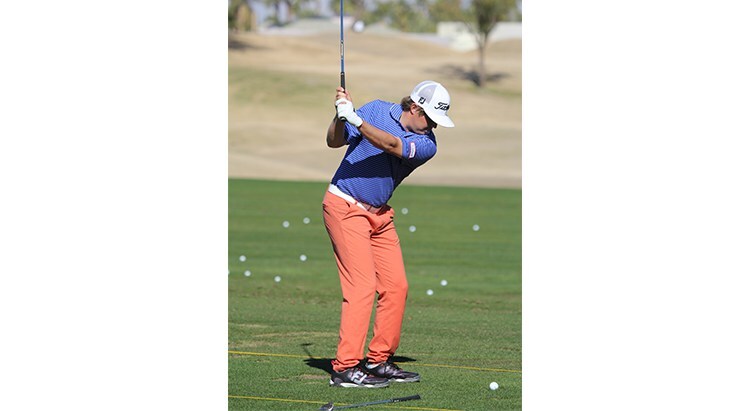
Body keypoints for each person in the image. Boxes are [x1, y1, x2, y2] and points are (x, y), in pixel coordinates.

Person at [322, 80, 455, 388]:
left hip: (379, 216)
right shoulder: (376, 110)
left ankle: (378, 360)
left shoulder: (427, 144)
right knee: (362, 287)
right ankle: (345, 367)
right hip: (345, 206)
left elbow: (393, 145)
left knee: (396, 287)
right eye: (431, 118)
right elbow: (333, 141)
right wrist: (341, 116)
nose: (434, 126)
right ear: (415, 108)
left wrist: (356, 120)